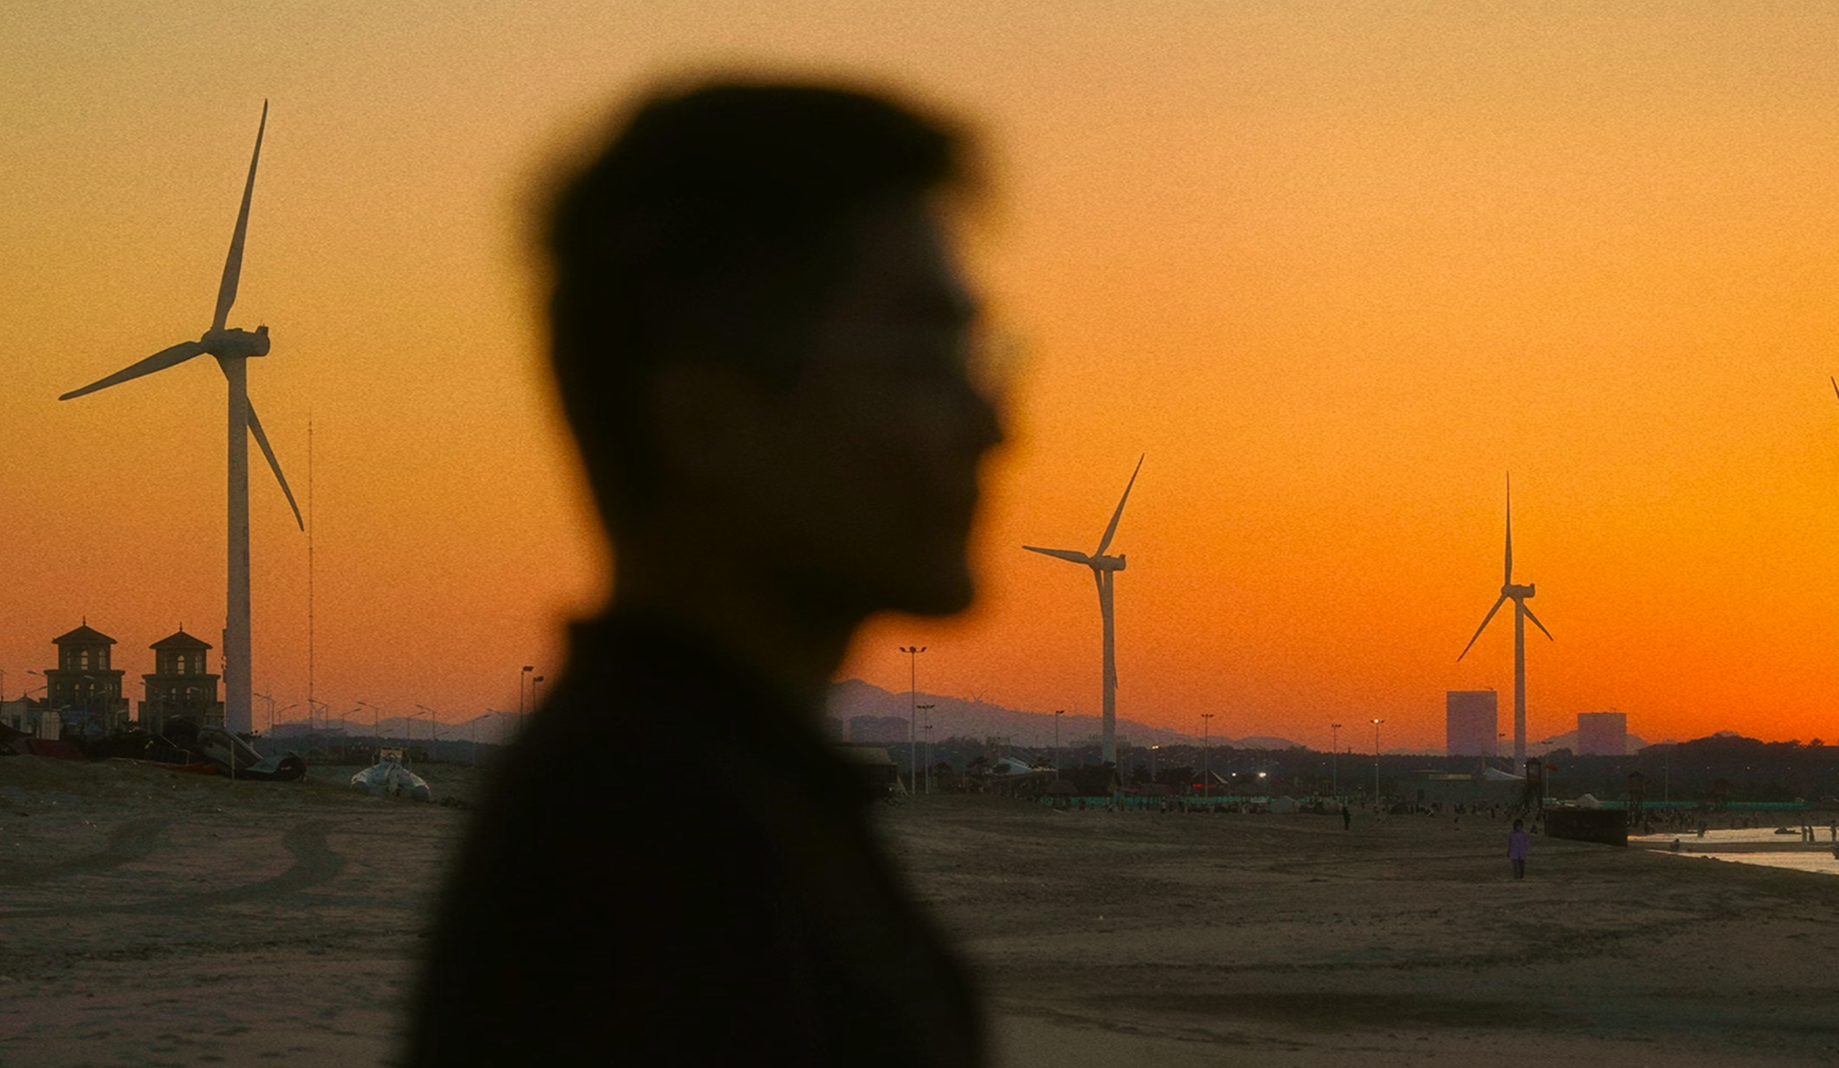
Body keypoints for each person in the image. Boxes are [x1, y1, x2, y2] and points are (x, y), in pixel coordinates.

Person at [406, 80, 1002, 1066]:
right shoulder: (654, 862)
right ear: (708, 423)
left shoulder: (715, 792)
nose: (992, 425)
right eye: (921, 359)